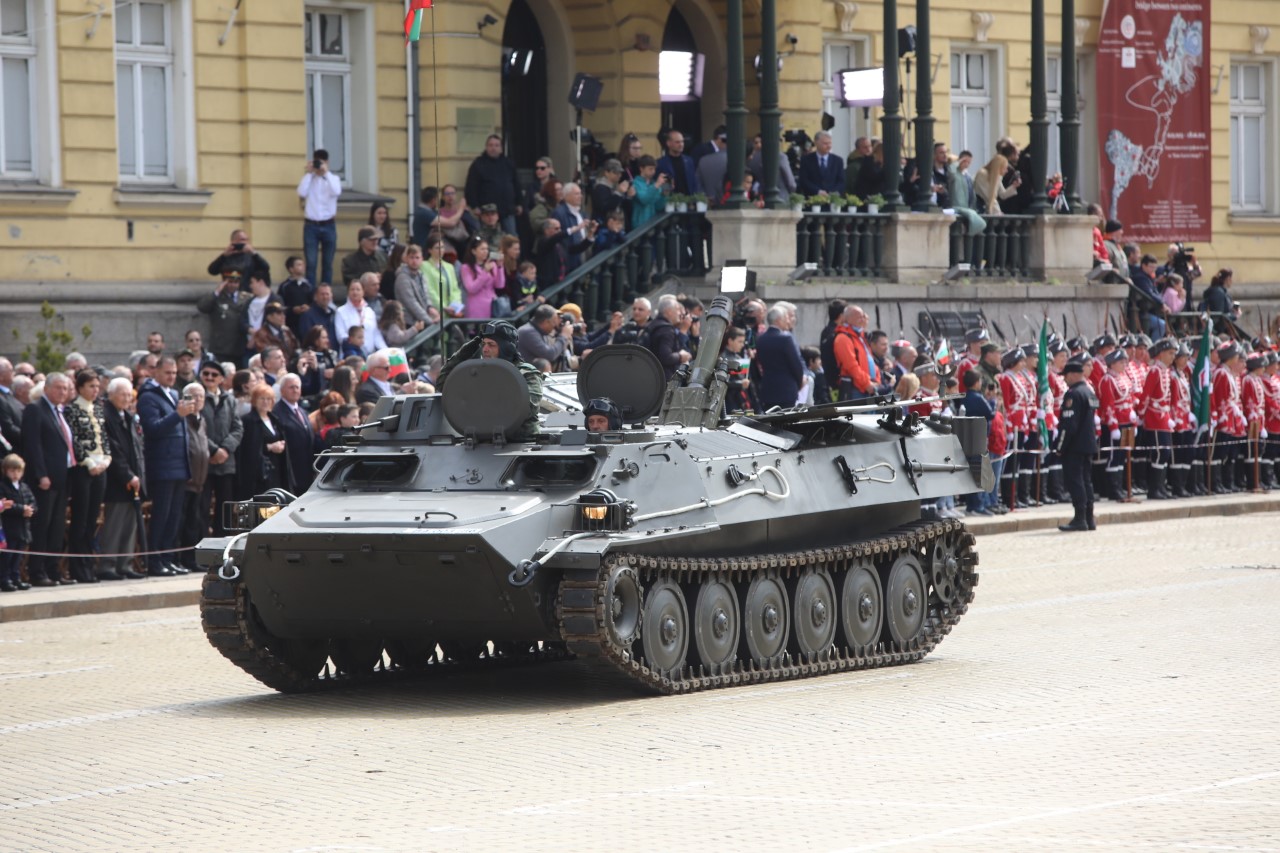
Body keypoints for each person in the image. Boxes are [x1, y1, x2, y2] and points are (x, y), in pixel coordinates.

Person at [436, 321, 543, 441]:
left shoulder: (526, 373)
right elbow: (443, 385)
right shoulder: (477, 373)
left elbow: (526, 409)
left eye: (491, 344)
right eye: (483, 344)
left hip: (521, 441)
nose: (485, 349)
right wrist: (468, 350)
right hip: (484, 442)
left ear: (506, 348)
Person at [19, 372, 79, 585]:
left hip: (63, 478)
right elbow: (33, 446)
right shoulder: (35, 409)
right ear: (46, 389)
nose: (62, 392)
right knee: (42, 526)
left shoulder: (60, 411)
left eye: (65, 388)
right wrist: (41, 474)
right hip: (45, 480)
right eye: (58, 388)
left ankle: (53, 571)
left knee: (57, 527)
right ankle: (37, 572)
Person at [64, 369, 111, 583]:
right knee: (80, 520)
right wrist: (90, 463)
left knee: (92, 520)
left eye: (97, 386)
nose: (95, 390)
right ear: (81, 387)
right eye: (91, 386)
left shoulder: (99, 408)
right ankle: (77, 568)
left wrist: (106, 460)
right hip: (84, 469)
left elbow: (104, 439)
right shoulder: (72, 409)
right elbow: (73, 440)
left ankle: (88, 565)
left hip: (100, 468)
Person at [198, 362, 242, 538]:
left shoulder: (229, 400)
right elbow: (196, 427)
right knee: (201, 507)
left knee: (225, 509)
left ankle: (222, 545)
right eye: (206, 373)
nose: (209, 377)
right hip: (204, 462)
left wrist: (224, 449)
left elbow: (237, 428)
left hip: (226, 463)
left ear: (222, 379)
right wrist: (214, 450)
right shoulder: (197, 396)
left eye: (214, 375)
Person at [1056, 359, 1099, 532]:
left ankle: (1080, 518)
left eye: (1066, 376)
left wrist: (1060, 447)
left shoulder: (1073, 394)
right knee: (1087, 481)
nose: (1064, 380)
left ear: (1074, 375)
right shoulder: (1089, 392)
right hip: (1089, 444)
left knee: (1076, 482)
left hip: (1075, 446)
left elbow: (1069, 425)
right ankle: (1089, 518)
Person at [236, 385, 293, 499]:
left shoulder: (274, 419)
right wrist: (269, 447)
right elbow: (247, 448)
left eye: (269, 399)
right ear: (254, 401)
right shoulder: (248, 420)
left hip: (275, 470)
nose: (265, 402)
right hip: (257, 474)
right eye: (262, 398)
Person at [176, 382, 209, 571]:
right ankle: (181, 559)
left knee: (194, 522)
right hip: (186, 480)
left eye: (201, 397)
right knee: (182, 523)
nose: (197, 400)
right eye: (193, 396)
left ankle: (192, 559)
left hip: (200, 481)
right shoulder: (183, 419)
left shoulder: (202, 419)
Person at [297, 149, 342, 288]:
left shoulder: (333, 179)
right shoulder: (309, 179)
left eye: (321, 162)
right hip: (311, 225)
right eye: (317, 161)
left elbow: (337, 191)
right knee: (311, 263)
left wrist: (326, 173)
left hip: (329, 225)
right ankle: (310, 294)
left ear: (327, 162)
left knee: (327, 263)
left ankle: (325, 294)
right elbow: (301, 192)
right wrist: (309, 173)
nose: (318, 165)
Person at [464, 134, 523, 235]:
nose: (493, 148)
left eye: (496, 145)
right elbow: (471, 187)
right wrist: (474, 206)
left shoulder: (508, 163)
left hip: (507, 210)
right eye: (490, 145)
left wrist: (519, 203)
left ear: (501, 148)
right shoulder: (478, 164)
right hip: (487, 212)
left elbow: (516, 184)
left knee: (511, 239)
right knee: (487, 240)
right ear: (486, 147)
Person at [274, 374, 320, 492]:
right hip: (289, 471)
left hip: (306, 470)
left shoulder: (303, 412)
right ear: (282, 390)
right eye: (291, 387)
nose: (295, 390)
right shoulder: (276, 412)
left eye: (297, 387)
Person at [755, 302, 805, 410]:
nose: (788, 321)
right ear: (779, 320)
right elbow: (796, 364)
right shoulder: (786, 339)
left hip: (767, 389)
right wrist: (800, 383)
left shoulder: (760, 339)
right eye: (786, 318)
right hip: (787, 389)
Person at [1, 453, 36, 590]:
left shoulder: (24, 487)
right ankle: (5, 579)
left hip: (23, 528)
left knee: (18, 556)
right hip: (9, 527)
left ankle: (16, 578)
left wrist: (30, 510)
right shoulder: (3, 487)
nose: (15, 474)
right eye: (12, 470)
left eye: (18, 471)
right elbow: (5, 505)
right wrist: (21, 509)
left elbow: (33, 502)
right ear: (5, 471)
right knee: (7, 556)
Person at [197, 274, 247, 366]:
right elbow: (202, 307)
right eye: (230, 282)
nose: (233, 285)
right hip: (221, 348)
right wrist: (217, 291)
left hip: (240, 347)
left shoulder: (245, 298)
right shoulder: (217, 297)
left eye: (236, 282)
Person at [832, 305, 879, 401]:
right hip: (856, 389)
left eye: (863, 316)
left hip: (868, 387)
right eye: (859, 317)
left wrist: (876, 380)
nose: (863, 319)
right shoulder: (843, 338)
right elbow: (851, 366)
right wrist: (867, 383)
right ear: (848, 319)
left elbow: (869, 360)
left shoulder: (859, 337)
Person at [640, 295, 691, 380]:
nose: (680, 314)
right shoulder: (666, 330)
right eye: (677, 310)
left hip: (647, 376)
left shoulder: (650, 325)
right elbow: (666, 357)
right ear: (669, 311)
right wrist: (680, 356)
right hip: (663, 381)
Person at [334, 277, 386, 356]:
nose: (355, 292)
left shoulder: (369, 311)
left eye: (358, 289)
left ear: (363, 292)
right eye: (352, 289)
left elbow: (376, 334)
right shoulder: (341, 311)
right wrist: (357, 343)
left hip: (369, 355)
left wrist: (386, 350)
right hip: (351, 355)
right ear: (348, 292)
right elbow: (341, 336)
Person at [460, 233, 506, 319]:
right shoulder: (466, 267)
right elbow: (471, 288)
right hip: (476, 307)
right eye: (482, 249)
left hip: (492, 305)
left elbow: (500, 285)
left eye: (487, 249)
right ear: (474, 251)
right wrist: (485, 272)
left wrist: (500, 267)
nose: (485, 251)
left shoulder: (492, 264)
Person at [516, 304, 574, 371]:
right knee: (544, 363)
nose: (554, 325)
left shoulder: (539, 331)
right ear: (546, 322)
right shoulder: (528, 332)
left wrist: (561, 334)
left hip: (531, 371)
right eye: (553, 322)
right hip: (525, 375)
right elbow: (550, 355)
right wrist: (563, 336)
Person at [552, 183, 593, 275]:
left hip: (583, 253)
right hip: (569, 259)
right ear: (566, 196)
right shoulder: (559, 213)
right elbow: (558, 237)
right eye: (576, 194)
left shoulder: (581, 213)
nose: (580, 196)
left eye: (580, 193)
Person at [798, 131, 846, 198]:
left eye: (830, 143)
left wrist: (832, 193)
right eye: (825, 143)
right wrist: (817, 191)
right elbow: (803, 180)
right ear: (816, 143)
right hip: (812, 199)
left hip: (832, 201)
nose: (829, 146)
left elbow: (841, 181)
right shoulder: (806, 160)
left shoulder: (838, 160)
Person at [340, 226, 389, 292]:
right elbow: (349, 280)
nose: (375, 242)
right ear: (362, 241)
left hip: (382, 294)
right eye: (371, 239)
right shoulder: (349, 260)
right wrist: (369, 278)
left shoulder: (383, 256)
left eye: (376, 239)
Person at [277, 256, 314, 337]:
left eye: (303, 264)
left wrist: (308, 307)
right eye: (299, 265)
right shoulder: (284, 286)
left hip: (305, 323)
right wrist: (292, 309)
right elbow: (280, 305)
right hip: (290, 323)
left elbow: (314, 303)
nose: (303, 267)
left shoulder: (309, 286)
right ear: (291, 269)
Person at [656, 130, 699, 196]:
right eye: (677, 142)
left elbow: (693, 183)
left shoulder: (689, 161)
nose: (681, 144)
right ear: (668, 143)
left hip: (688, 200)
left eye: (682, 141)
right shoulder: (661, 163)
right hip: (670, 201)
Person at [297, 282, 338, 351]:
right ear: (315, 297)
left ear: (331, 296)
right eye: (322, 294)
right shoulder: (307, 316)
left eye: (327, 294)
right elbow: (307, 339)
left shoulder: (334, 314)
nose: (325, 297)